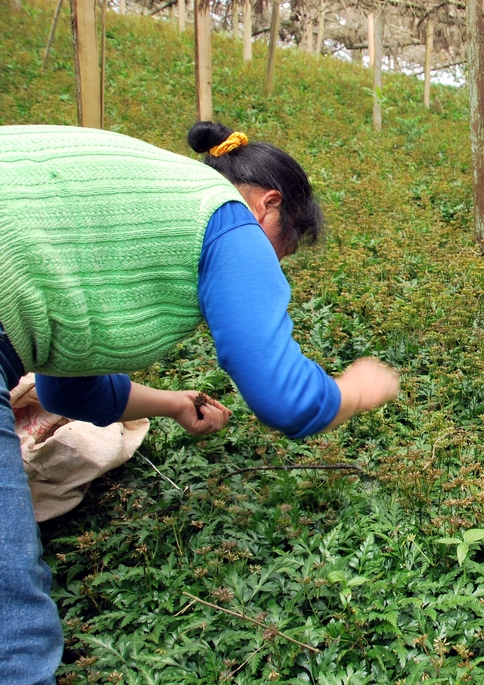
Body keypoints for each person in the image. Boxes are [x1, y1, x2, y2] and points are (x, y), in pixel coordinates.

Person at [0, 122, 400, 685]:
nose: (269, 268)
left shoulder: (159, 194)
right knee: (14, 634)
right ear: (268, 204)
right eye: (279, 253)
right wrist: (355, 389)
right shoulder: (229, 219)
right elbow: (285, 398)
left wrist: (171, 404)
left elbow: (65, 387)